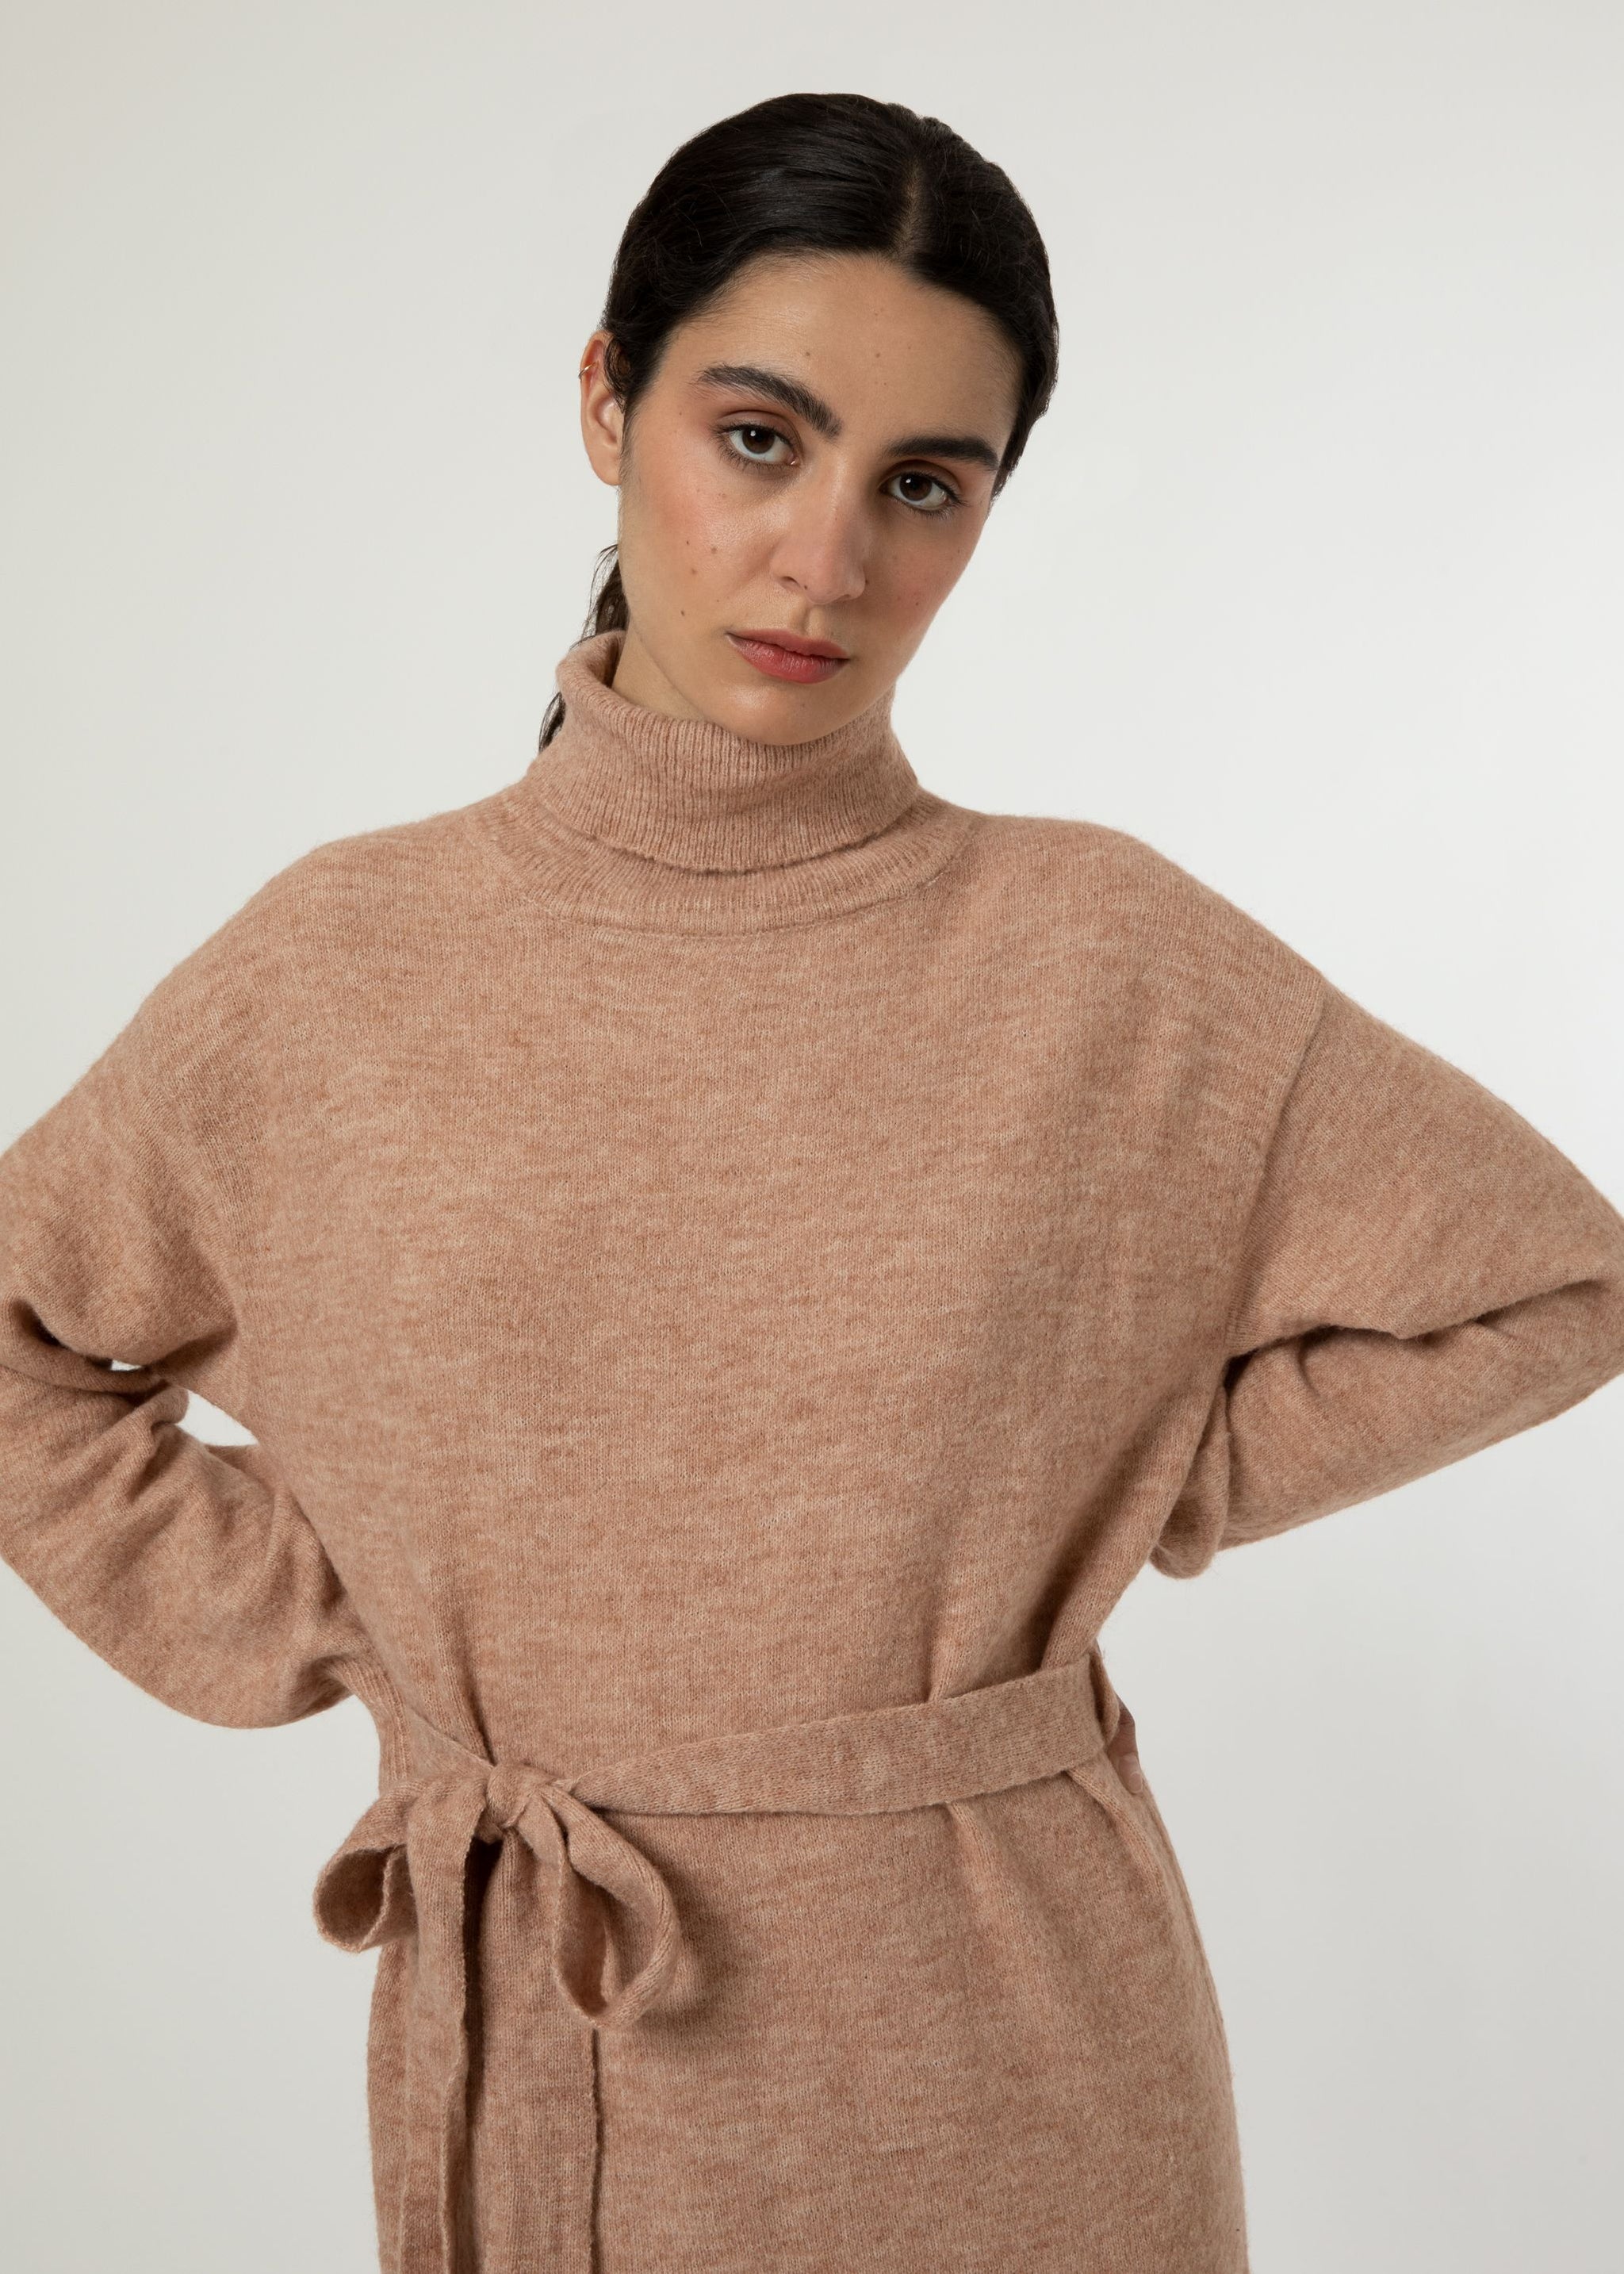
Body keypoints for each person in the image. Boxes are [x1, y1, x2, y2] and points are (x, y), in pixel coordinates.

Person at [1, 88, 1620, 2274]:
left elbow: (1559, 1280)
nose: (830, 559)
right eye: (759, 438)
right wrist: (341, 1619)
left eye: (924, 485)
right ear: (608, 399)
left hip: (1024, 2079)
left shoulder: (1110, 965)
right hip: (553, 2025)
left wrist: (1137, 1459)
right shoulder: (336, 969)